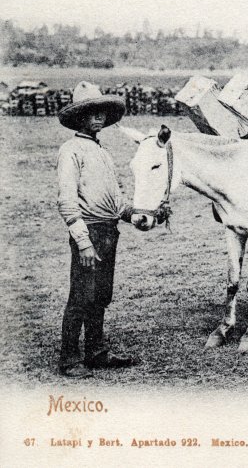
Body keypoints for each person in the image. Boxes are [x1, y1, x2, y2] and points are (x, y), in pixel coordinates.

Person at [56, 81, 137, 378]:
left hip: (108, 231)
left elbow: (114, 201)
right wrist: (83, 242)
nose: (98, 117)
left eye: (101, 111)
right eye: (91, 113)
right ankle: (69, 359)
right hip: (88, 232)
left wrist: (134, 215)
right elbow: (66, 199)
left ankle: (96, 351)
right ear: (79, 117)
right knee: (80, 295)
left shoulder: (101, 151)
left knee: (101, 295)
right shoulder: (71, 150)